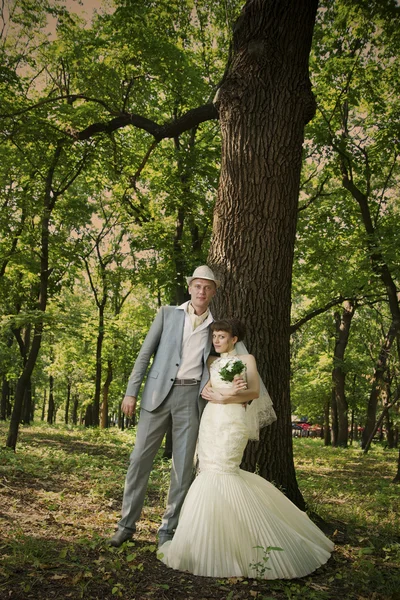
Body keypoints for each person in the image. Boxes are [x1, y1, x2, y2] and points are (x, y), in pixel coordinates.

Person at [158, 319, 334, 579]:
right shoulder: (211, 362)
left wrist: (227, 396)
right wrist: (213, 392)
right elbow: (205, 388)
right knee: (206, 470)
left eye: (221, 336)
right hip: (211, 420)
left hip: (232, 421)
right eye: (214, 336)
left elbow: (252, 393)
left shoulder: (247, 359)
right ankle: (205, 541)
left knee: (225, 469)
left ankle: (246, 541)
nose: (216, 340)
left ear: (235, 339)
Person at [108, 265, 229, 548]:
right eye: (197, 286)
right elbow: (144, 354)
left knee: (183, 466)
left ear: (213, 292)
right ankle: (126, 526)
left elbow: (220, 362)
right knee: (139, 459)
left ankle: (168, 531)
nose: (201, 291)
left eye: (207, 287)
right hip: (156, 396)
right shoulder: (166, 314)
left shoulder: (216, 327)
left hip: (190, 398)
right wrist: (131, 392)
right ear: (190, 288)